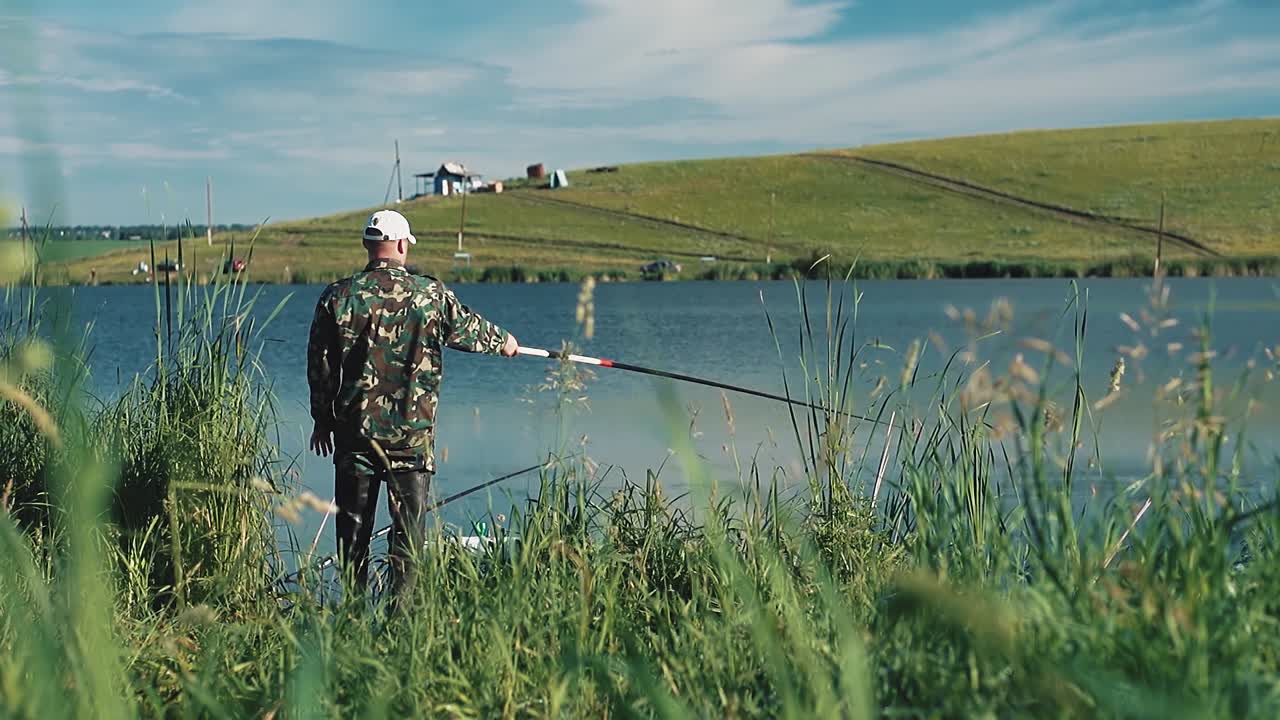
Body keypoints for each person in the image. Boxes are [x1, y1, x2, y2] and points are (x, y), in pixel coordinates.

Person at [306, 209, 518, 602]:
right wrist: (504, 341)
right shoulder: (431, 295)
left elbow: (320, 367)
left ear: (368, 245)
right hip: (411, 440)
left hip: (355, 440)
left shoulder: (337, 297)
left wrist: (323, 421)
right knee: (408, 540)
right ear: (402, 245)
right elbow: (471, 330)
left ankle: (351, 619)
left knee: (352, 539)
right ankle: (402, 624)